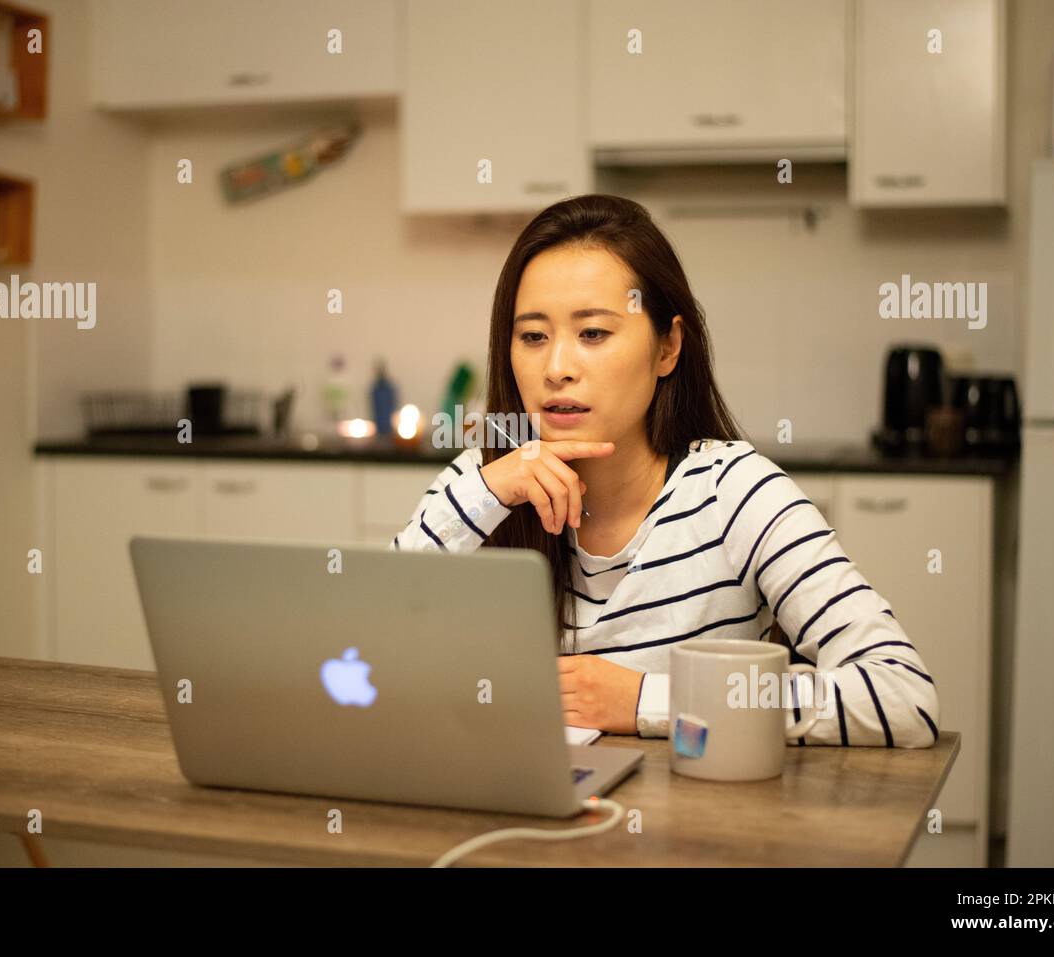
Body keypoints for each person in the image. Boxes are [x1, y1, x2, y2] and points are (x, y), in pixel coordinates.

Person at [390, 194, 938, 747]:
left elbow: (901, 696)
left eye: (593, 334)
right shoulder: (483, 481)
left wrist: (647, 701)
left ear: (667, 348)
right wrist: (486, 495)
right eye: (533, 336)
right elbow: (370, 661)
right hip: (519, 796)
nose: (556, 368)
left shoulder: (735, 494)